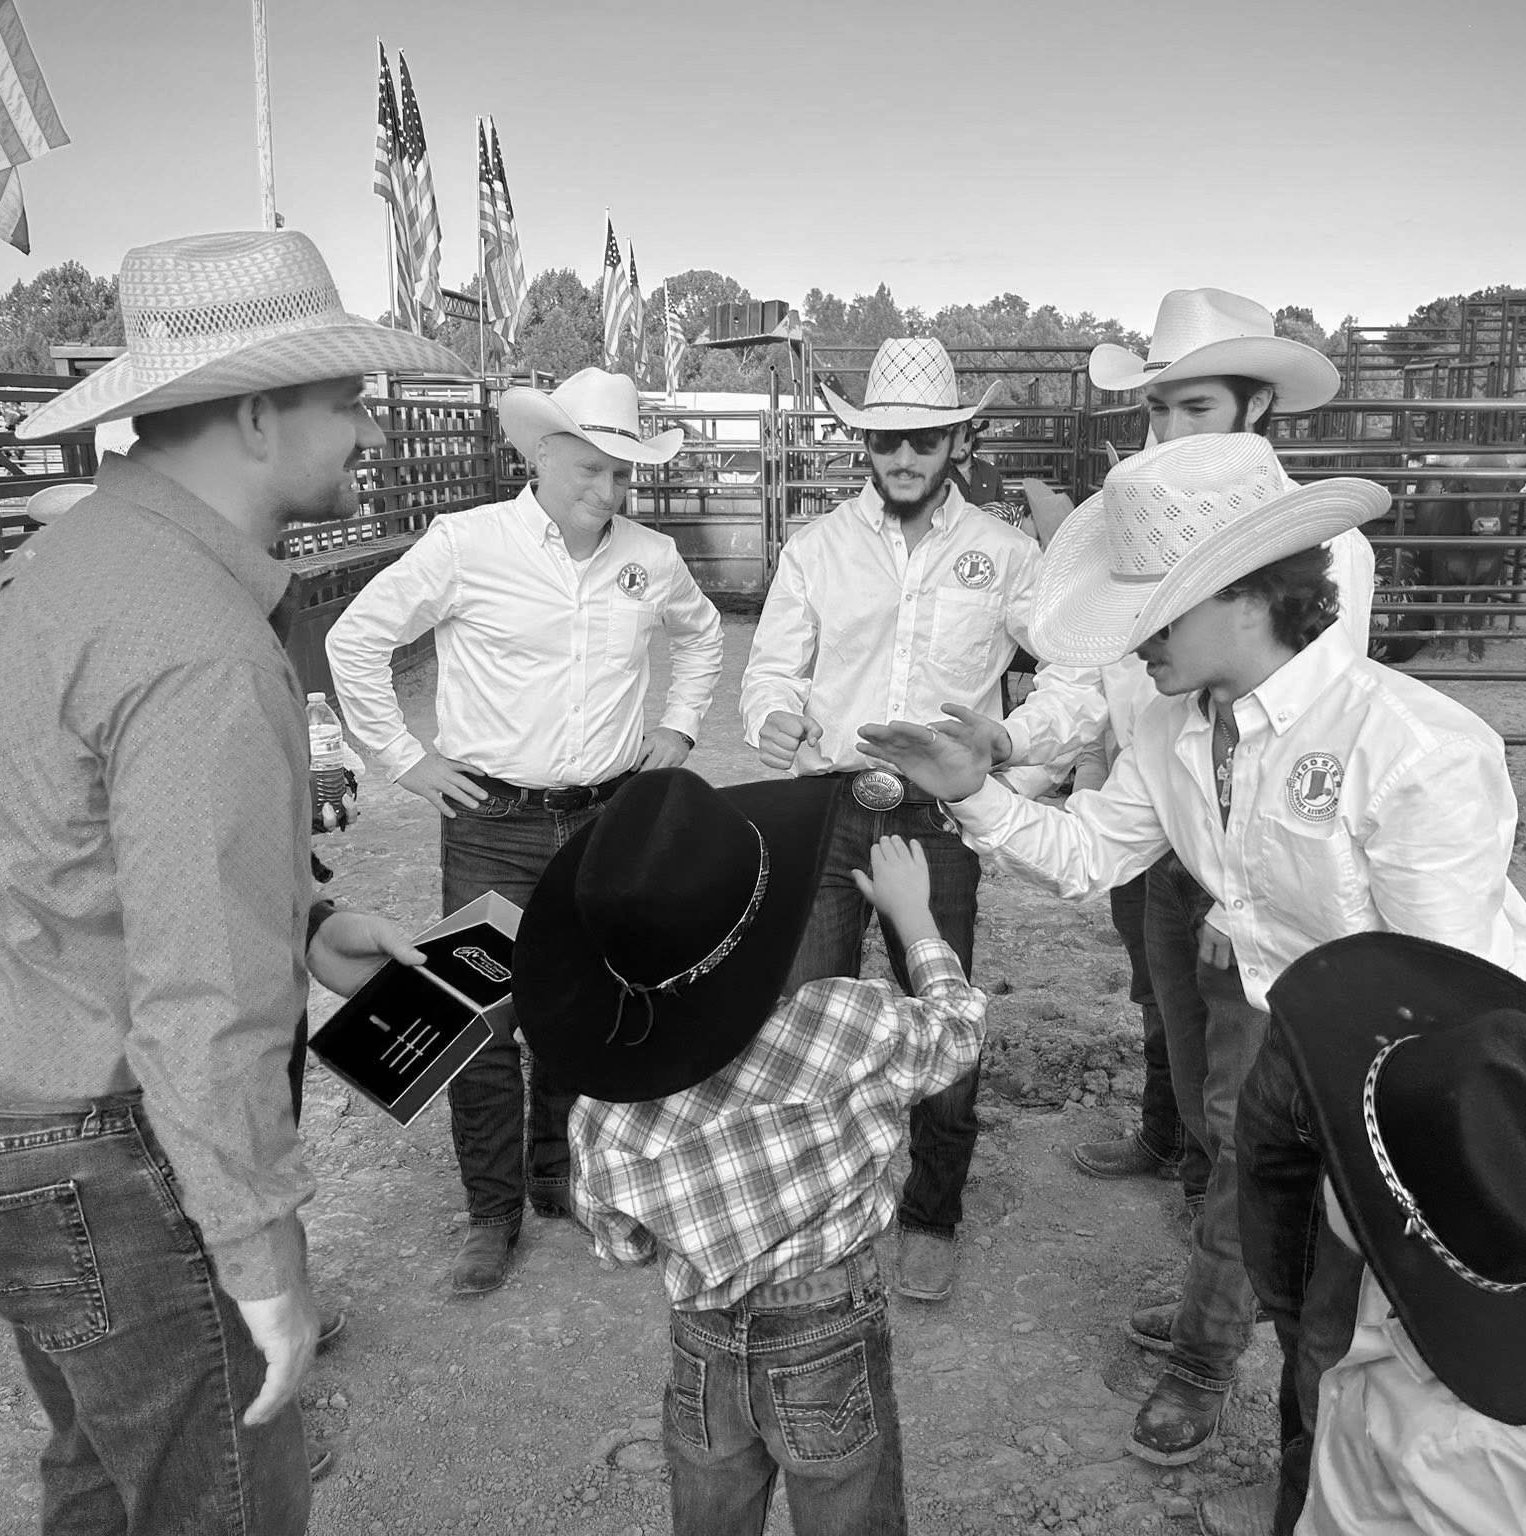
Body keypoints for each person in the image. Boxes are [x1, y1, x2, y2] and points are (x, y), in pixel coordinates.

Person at [0, 228, 458, 1535]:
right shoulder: (202, 641)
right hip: (91, 1148)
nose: (369, 430)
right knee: (219, 1502)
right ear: (256, 415)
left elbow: (47, 841)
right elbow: (202, 1007)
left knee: (100, 1467)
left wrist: (303, 921)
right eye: (345, 400)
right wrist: (264, 1257)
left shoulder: (65, 567)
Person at [857, 432, 1526, 1513]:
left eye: (1156, 615)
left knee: (1351, 1323)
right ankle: (1303, 1476)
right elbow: (1088, 851)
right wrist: (970, 789)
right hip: (1291, 1048)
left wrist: (1394, 1157)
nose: (1133, 644)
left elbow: (1447, 994)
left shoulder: (1412, 747)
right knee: (1298, 1284)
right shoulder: (1181, 730)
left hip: (1401, 1082)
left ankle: (1319, 1494)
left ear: (1246, 596)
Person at [951, 290, 1377, 1461]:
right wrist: (994, 762)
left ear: (1254, 408)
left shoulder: (1348, 648)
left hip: (1292, 914)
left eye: (1194, 407)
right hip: (1181, 852)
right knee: (1209, 1110)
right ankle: (1220, 1292)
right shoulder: (1161, 644)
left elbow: (1303, 749)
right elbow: (1101, 706)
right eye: (1159, 408)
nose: (1168, 430)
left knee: (1252, 1136)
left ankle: (1216, 1345)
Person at [326, 366, 724, 1294]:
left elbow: (703, 637)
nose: (609, 491)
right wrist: (404, 759)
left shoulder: (651, 558)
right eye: (591, 469)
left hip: (604, 816)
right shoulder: (467, 545)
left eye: (621, 474)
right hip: (493, 818)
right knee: (478, 1018)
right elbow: (357, 638)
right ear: (542, 456)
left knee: (583, 1004)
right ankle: (491, 1211)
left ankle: (559, 1173)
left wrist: (678, 726)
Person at [510, 769, 987, 1536]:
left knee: (711, 1510)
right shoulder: (848, 1022)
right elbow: (958, 1030)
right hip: (828, 1323)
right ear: (771, 919)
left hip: (699, 1334)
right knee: (847, 1509)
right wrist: (916, 923)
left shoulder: (601, 1113)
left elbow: (620, 1239)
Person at [739, 335, 1086, 1304]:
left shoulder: (1007, 555)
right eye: (887, 440)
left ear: (956, 442)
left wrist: (1010, 744)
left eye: (923, 439)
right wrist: (772, 714)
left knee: (941, 1006)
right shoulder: (816, 548)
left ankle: (931, 1211)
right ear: (863, 443)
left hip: (936, 816)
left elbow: (1074, 669)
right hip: (827, 804)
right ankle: (814, 1199)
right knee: (808, 1006)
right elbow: (773, 667)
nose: (902, 456)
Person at [1234, 931, 1526, 1536]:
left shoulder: (1460, 1447)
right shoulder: (1428, 1280)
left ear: (1400, 1217)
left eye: (1350, 1161)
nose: (1328, 1162)